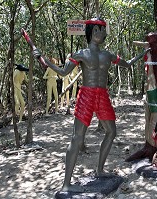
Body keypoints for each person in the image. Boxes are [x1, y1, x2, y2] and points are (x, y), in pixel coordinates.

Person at [33, 18, 150, 192]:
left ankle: (100, 170)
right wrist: (43, 59)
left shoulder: (108, 55)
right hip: (86, 94)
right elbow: (63, 72)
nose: (102, 33)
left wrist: (145, 52)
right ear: (93, 32)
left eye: (103, 30)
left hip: (102, 95)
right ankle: (66, 184)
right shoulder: (80, 54)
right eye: (99, 30)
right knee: (77, 137)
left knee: (111, 131)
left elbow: (128, 64)